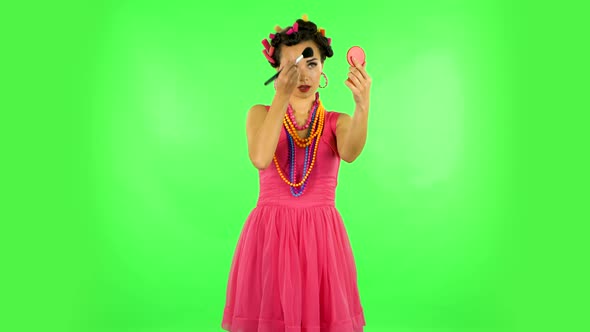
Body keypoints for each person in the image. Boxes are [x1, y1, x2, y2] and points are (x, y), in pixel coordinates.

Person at [221, 15, 370, 332]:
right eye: (292, 66)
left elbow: (352, 152)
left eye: (311, 64)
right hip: (270, 235)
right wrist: (281, 96)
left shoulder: (335, 121)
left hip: (322, 238)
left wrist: (362, 105)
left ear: (323, 69)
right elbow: (261, 157)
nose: (303, 74)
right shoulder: (259, 113)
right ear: (276, 71)